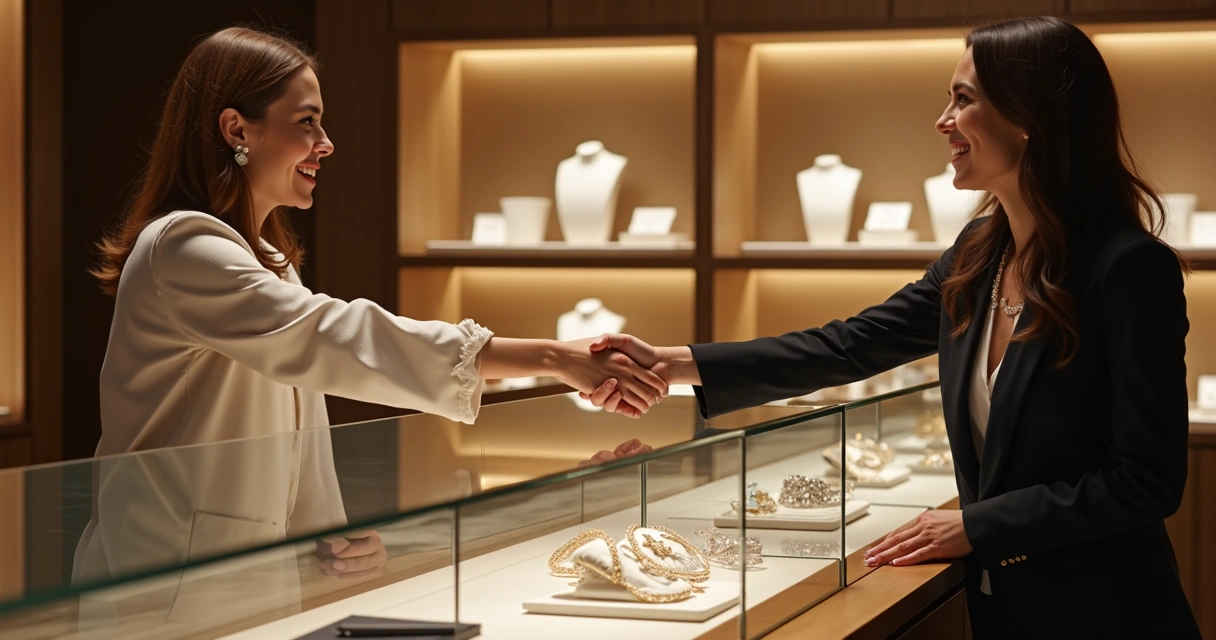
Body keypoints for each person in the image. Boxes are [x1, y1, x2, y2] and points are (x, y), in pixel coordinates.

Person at [582, 16, 1200, 639]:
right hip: (1004, 614)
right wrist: (673, 365)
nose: (943, 121)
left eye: (963, 99)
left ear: (1029, 116)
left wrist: (977, 525)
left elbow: (1144, 481)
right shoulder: (978, 253)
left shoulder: (1127, 269)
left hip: (1111, 615)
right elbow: (849, 347)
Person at [89, 27, 666, 457]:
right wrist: (552, 356)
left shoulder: (270, 263)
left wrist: (325, 544)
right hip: (169, 575)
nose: (326, 143)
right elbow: (335, 338)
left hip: (244, 572)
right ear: (237, 129)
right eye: (307, 121)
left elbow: (302, 441)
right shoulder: (183, 247)